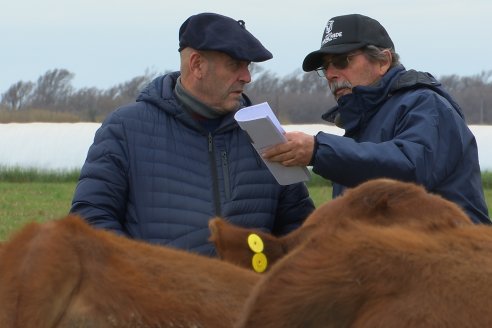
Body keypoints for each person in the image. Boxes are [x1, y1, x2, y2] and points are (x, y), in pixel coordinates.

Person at [70, 12, 315, 256]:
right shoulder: (124, 128)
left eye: (248, 66)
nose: (247, 77)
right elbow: (90, 219)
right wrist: (141, 275)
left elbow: (300, 228)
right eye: (235, 65)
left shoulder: (264, 133)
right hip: (157, 292)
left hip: (247, 293)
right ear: (197, 65)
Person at [262, 13, 490, 224]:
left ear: (383, 61)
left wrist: (319, 150)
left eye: (342, 61)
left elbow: (409, 169)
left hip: (453, 257)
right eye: (326, 67)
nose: (331, 74)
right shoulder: (361, 119)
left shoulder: (427, 105)